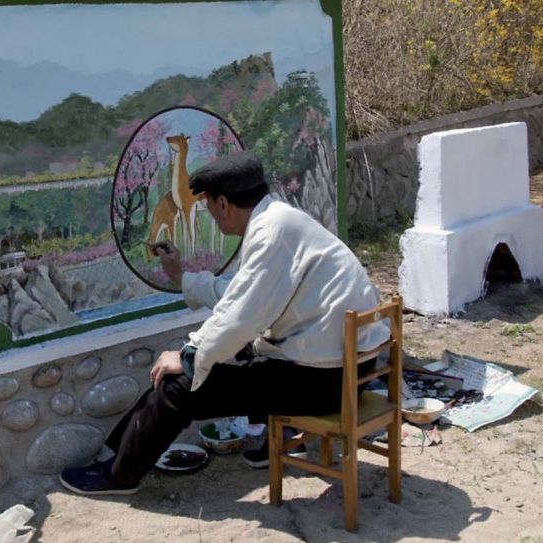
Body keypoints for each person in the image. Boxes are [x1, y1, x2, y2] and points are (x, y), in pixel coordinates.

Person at [59, 150, 390, 496]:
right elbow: (242, 293)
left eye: (207, 207)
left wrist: (189, 355)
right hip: (349, 370)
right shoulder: (281, 219)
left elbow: (239, 317)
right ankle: (283, 440)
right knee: (246, 352)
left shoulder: (271, 233)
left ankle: (119, 475)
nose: (212, 219)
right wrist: (185, 279)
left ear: (223, 204)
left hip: (326, 383)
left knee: (181, 387)